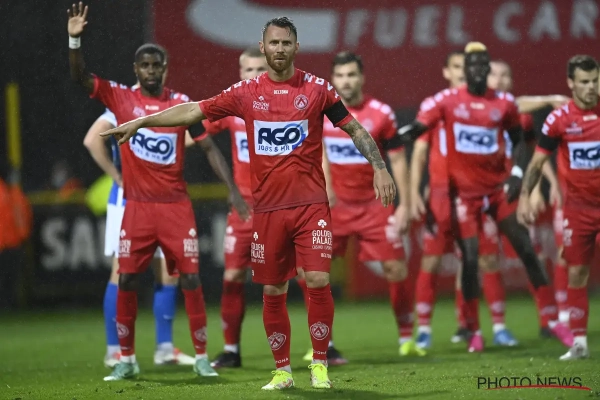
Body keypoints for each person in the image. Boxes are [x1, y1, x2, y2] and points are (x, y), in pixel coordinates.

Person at [100, 16, 396, 390]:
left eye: (286, 43)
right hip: (267, 210)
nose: (279, 49)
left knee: (318, 279)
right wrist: (143, 122)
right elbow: (193, 110)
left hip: (310, 206)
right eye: (273, 43)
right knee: (273, 289)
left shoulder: (318, 89)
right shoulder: (245, 93)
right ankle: (282, 371)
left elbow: (353, 127)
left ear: (296, 47)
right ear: (263, 47)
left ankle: (320, 364)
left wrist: (379, 166)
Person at [67, 2, 248, 381]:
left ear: (165, 69)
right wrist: (74, 41)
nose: (151, 70)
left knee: (190, 279)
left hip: (175, 207)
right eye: (145, 65)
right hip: (136, 207)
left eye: (157, 65)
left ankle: (201, 356)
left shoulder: (180, 105)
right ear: (136, 69)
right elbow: (80, 78)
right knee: (127, 279)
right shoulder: (120, 98)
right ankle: (126, 358)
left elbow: (208, 147)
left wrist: (232, 188)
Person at [398, 42, 572, 353]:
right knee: (460, 258)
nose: (476, 71)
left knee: (517, 250)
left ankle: (545, 321)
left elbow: (520, 138)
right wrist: (398, 142)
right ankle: (460, 329)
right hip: (457, 194)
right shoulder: (444, 102)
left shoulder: (503, 104)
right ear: (459, 71)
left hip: (496, 191)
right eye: (469, 66)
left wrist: (519, 177)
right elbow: (420, 135)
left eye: (483, 66)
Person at [300, 51, 421, 360]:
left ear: (362, 78)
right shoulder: (321, 112)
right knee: (312, 271)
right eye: (340, 75)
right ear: (333, 79)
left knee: (395, 268)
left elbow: (397, 159)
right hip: (334, 206)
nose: (346, 81)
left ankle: (406, 337)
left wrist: (405, 204)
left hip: (374, 205)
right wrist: (323, 189)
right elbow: (317, 152)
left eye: (352, 74)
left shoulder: (381, 114)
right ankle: (323, 342)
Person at [410, 51, 518, 349]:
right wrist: (415, 190)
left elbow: (515, 110)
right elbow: (419, 150)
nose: (461, 72)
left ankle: (493, 326)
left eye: (465, 67)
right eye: (456, 67)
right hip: (442, 193)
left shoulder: (487, 104)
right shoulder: (437, 105)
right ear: (446, 72)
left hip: (476, 193)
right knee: (432, 259)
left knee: (483, 258)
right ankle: (424, 330)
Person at [84, 106, 196, 367]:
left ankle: (165, 348)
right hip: (128, 201)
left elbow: (186, 137)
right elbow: (92, 140)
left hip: (161, 200)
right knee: (121, 272)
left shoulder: (166, 104)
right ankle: (114, 350)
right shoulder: (122, 103)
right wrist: (117, 177)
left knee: (168, 272)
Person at [518, 54, 600, 360]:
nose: (591, 87)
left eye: (595, 81)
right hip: (578, 209)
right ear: (571, 83)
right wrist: (525, 196)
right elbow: (537, 162)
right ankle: (579, 343)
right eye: (584, 82)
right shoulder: (559, 120)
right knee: (577, 272)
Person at [195, 47, 268, 369]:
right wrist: (165, 140)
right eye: (248, 70)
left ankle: (322, 347)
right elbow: (198, 132)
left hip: (280, 204)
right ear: (240, 73)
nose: (254, 75)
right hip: (245, 207)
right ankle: (231, 350)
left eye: (260, 69)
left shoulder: (283, 106)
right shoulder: (232, 107)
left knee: (301, 276)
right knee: (233, 274)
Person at [487, 59, 571, 335]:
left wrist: (537, 188)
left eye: (505, 75)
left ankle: (549, 319)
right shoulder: (475, 108)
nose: (499, 79)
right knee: (479, 257)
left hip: (511, 191)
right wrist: (548, 99)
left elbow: (535, 153)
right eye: (494, 74)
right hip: (480, 192)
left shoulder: (521, 117)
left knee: (531, 252)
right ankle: (477, 326)